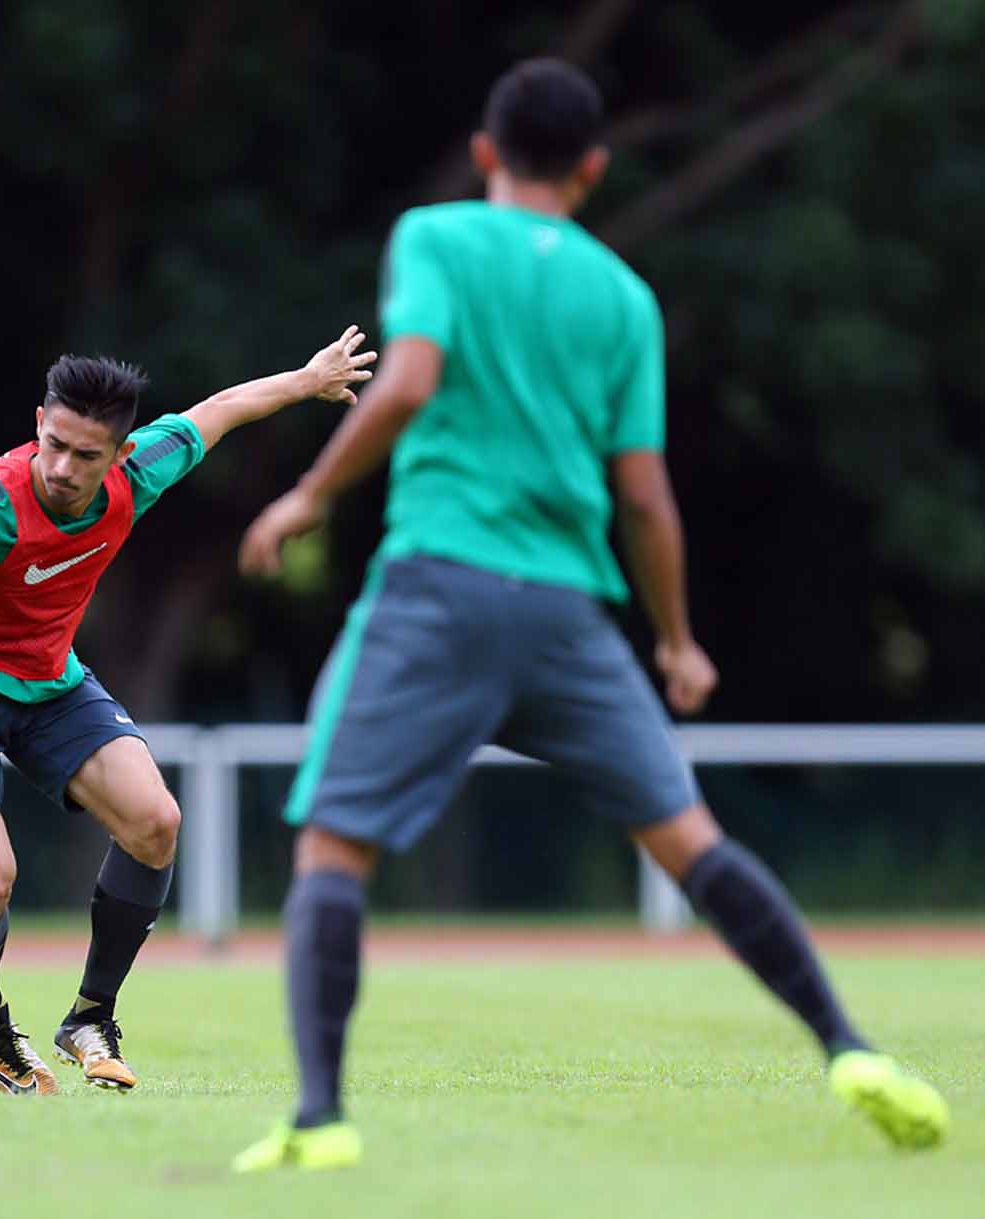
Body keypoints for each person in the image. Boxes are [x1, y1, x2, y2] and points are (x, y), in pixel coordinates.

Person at [230, 59, 950, 1172]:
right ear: (593, 169)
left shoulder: (436, 239)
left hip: (440, 585)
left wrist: (308, 496)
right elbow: (644, 493)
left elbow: (410, 379)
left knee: (334, 841)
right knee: (689, 839)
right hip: (567, 611)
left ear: (483, 153)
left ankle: (319, 1119)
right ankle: (847, 1046)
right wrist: (673, 637)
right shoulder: (622, 296)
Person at [0, 331, 375, 1095]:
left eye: (85, 455)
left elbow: (222, 409)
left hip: (49, 684)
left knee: (155, 820)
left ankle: (89, 1017)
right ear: (38, 421)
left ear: (121, 451)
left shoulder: (143, 469)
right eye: (53, 445)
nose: (64, 468)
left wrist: (305, 379)